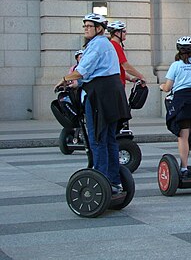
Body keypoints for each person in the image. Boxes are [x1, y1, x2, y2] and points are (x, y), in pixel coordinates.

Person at [54, 13, 131, 193]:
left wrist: (64, 79)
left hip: (100, 96)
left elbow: (82, 70)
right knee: (109, 139)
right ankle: (113, 181)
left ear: (99, 29)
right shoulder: (103, 44)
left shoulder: (97, 45)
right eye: (85, 26)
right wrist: (77, 82)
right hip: (110, 93)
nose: (86, 29)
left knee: (97, 139)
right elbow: (92, 72)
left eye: (90, 26)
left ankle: (101, 180)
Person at [160, 36, 191, 178]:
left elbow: (168, 87)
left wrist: (162, 87)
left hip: (183, 103)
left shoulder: (175, 65)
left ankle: (184, 168)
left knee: (183, 136)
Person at [107, 20, 146, 87]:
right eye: (124, 31)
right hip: (116, 86)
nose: (126, 33)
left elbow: (117, 70)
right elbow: (126, 66)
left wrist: (130, 79)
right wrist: (141, 76)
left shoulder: (112, 45)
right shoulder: (115, 46)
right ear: (117, 33)